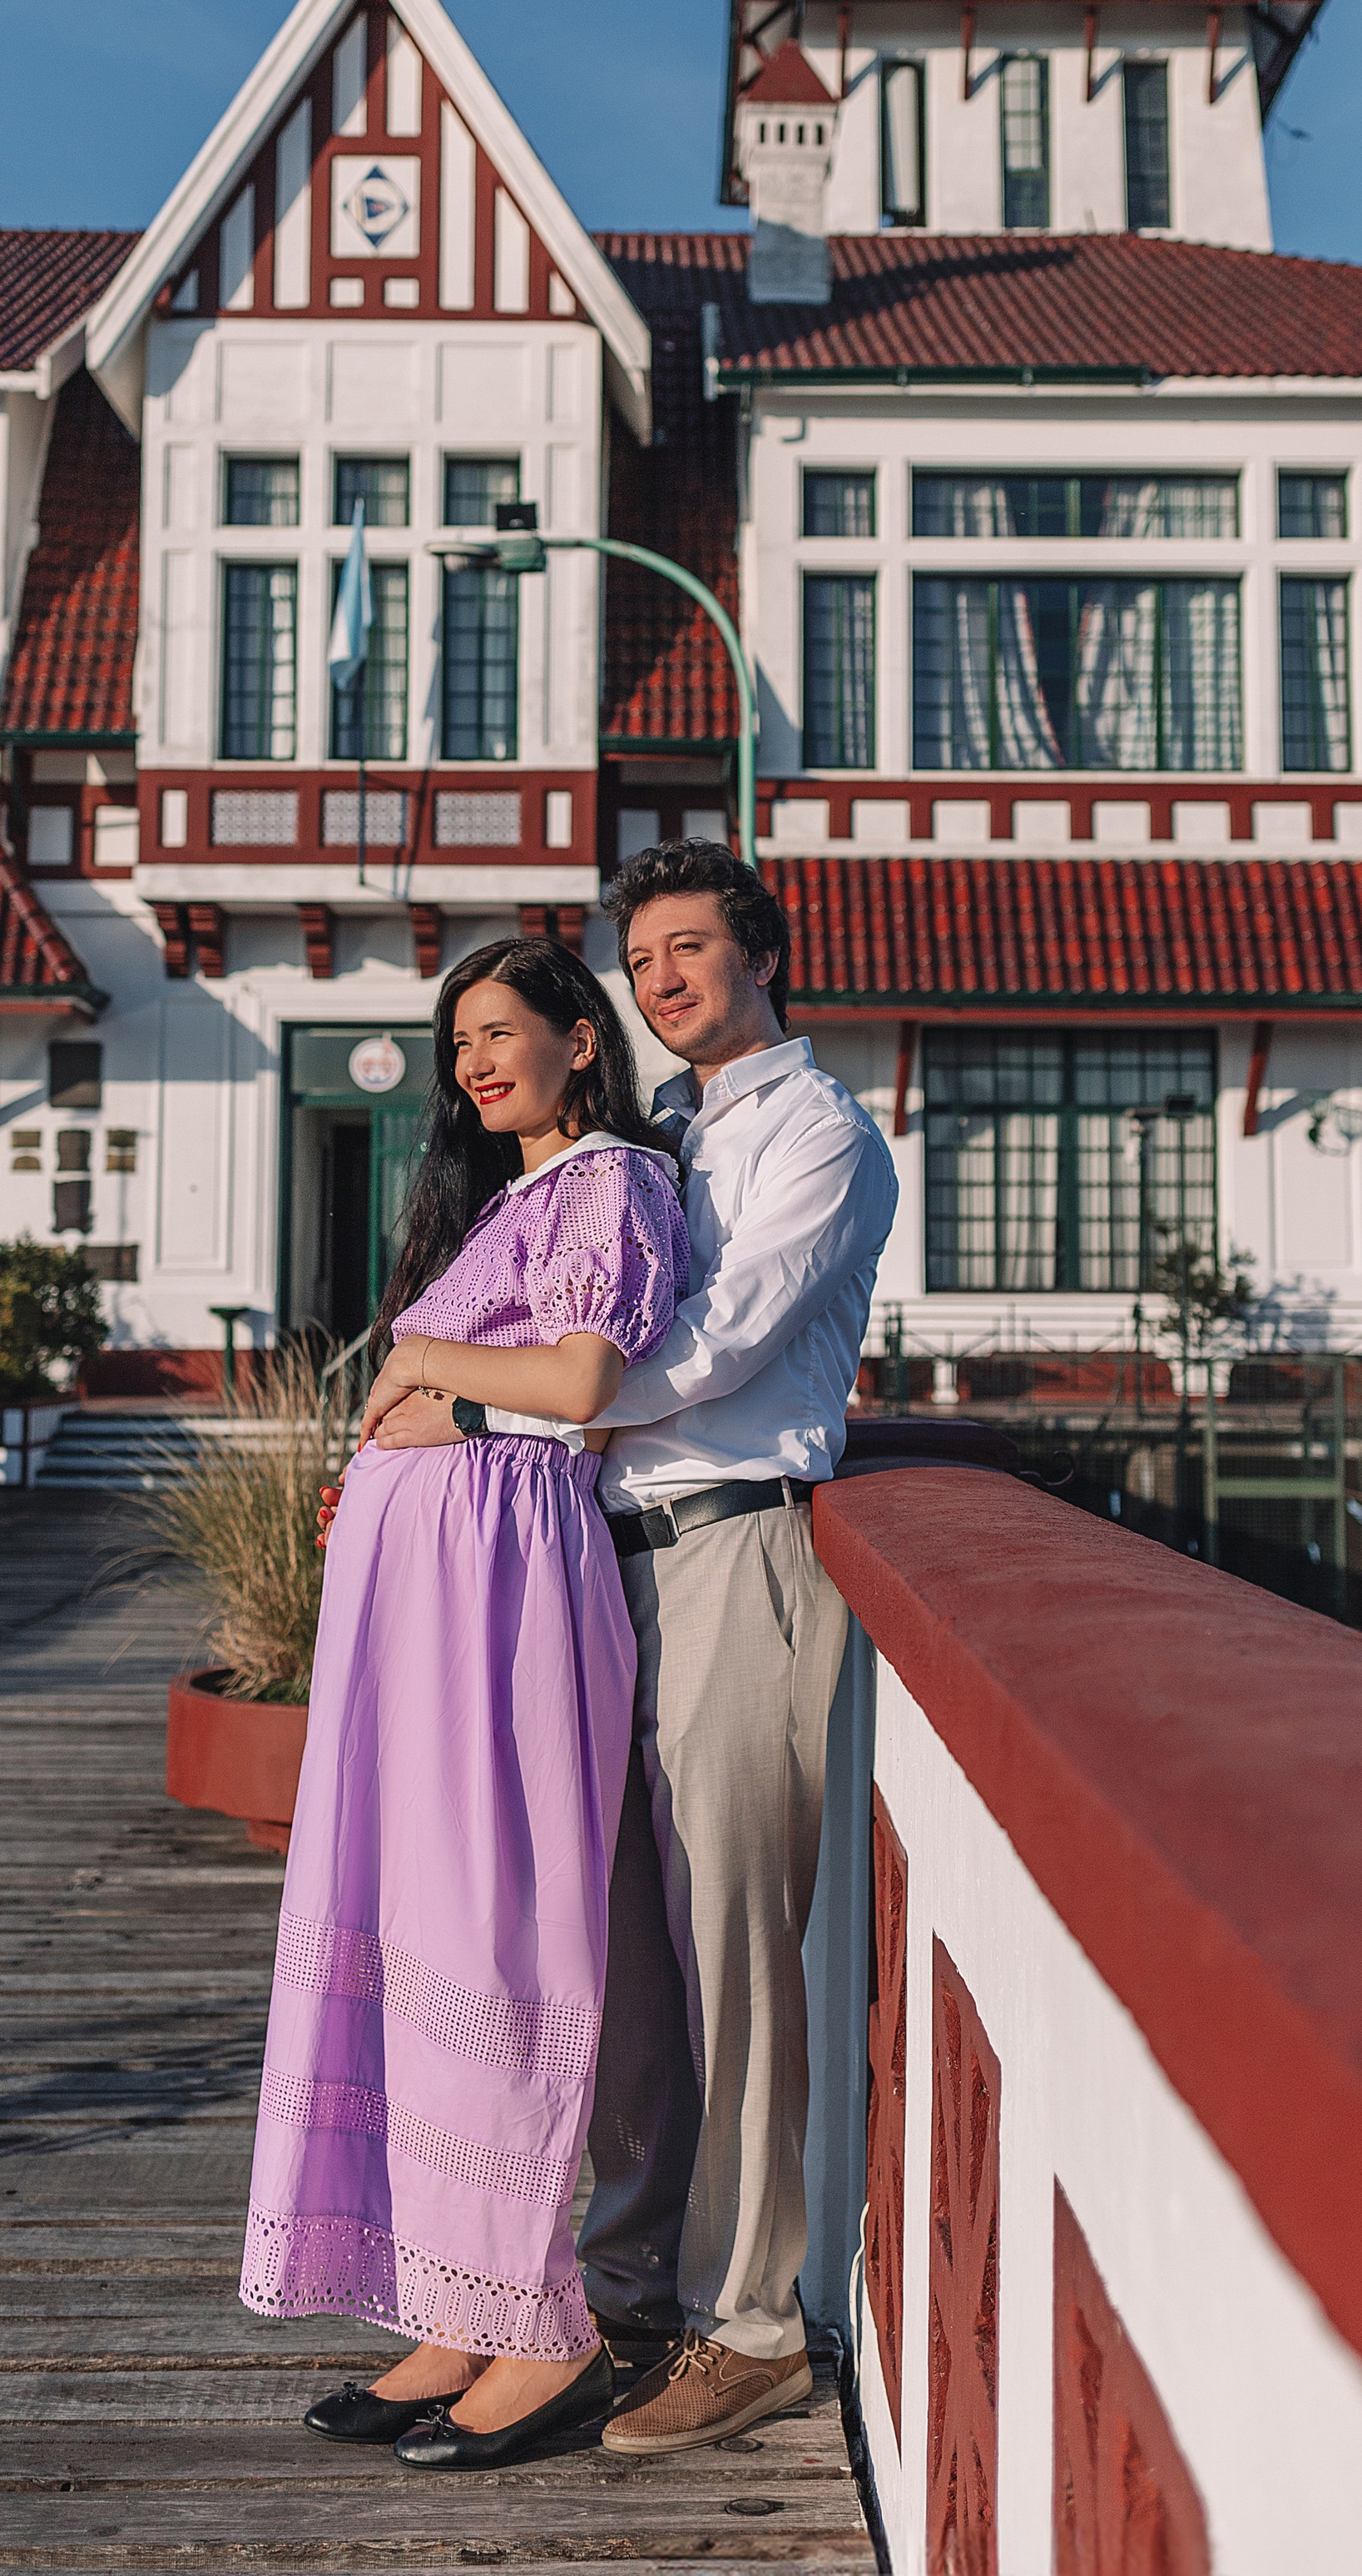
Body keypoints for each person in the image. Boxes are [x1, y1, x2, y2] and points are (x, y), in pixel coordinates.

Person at [366, 841, 899, 2458]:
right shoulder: (657, 1134)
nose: (664, 978)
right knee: (613, 1954)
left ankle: (753, 2323)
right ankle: (622, 2292)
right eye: (643, 955)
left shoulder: (819, 1134)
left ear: (762, 954)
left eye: (691, 948)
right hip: (597, 1568)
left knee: (732, 1944)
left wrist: (483, 1395)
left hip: (735, 1548)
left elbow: (705, 1349)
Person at [239, 936, 690, 2474]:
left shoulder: (616, 1182)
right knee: (417, 1919)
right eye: (459, 1044)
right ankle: (461, 2301)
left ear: (583, 1038)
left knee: (495, 1931)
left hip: (504, 1594)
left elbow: (582, 1382)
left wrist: (422, 1363)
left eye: (502, 1032)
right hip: (433, 1594)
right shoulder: (513, 1198)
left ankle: (545, 2322)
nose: (476, 1064)